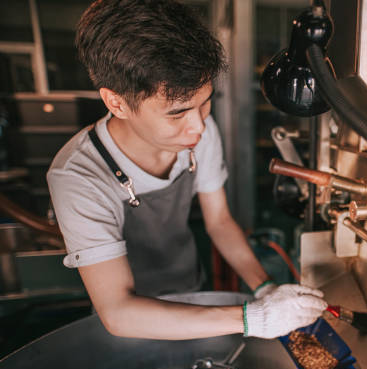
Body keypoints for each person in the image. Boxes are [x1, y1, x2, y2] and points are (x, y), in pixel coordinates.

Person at [47, 0, 326, 340]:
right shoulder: (77, 177)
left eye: (205, 102)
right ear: (116, 103)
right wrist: (255, 319)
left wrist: (264, 288)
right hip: (130, 326)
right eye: (177, 113)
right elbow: (118, 312)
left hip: (194, 292)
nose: (198, 126)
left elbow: (219, 222)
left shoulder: (198, 131)